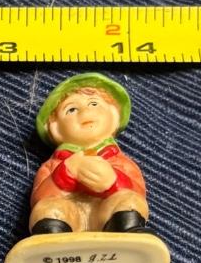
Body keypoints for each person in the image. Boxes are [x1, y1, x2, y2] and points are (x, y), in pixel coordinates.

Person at [28, 73, 150, 235]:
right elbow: (39, 198)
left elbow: (138, 190)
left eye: (94, 104)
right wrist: (64, 174)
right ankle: (53, 237)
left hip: (106, 216)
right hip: (71, 218)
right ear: (55, 128)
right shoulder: (52, 166)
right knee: (48, 207)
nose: (85, 113)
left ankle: (126, 230)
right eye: (71, 109)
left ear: (113, 116)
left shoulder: (120, 161)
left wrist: (113, 182)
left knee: (129, 200)